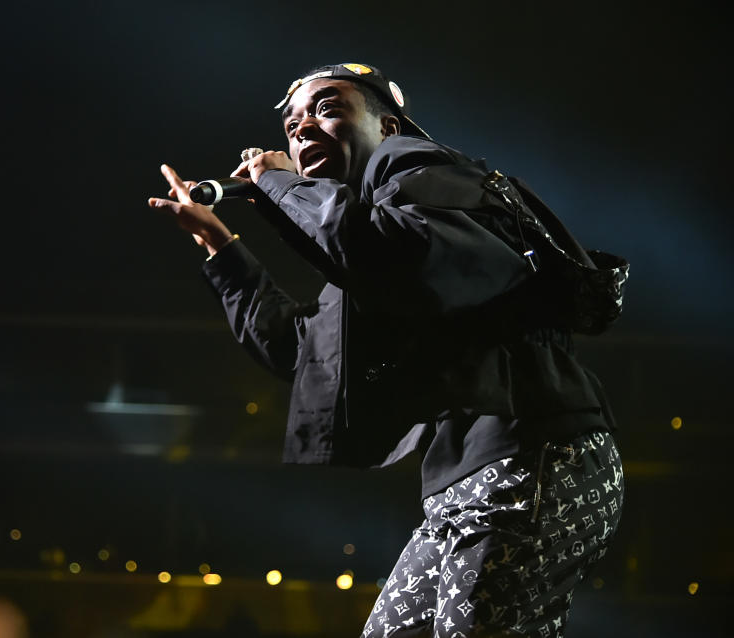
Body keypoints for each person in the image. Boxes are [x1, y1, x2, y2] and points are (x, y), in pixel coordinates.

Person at [148, 63, 628, 638]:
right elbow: (301, 353)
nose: (300, 128)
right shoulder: (370, 239)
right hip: (464, 484)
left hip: (535, 456)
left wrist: (279, 184)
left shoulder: (422, 170)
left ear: (389, 127)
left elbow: (394, 255)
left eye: (327, 108)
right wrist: (217, 242)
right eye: (292, 122)